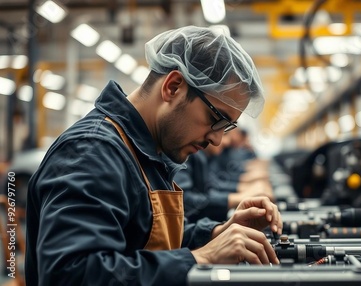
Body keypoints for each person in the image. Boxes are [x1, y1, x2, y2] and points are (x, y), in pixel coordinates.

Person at [25, 26, 282, 286]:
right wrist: (200, 258)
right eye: (216, 119)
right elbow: (71, 274)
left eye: (227, 127)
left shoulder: (147, 152)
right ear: (173, 87)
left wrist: (218, 233)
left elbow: (146, 238)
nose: (217, 139)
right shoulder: (91, 152)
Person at [175, 132, 273, 222]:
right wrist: (240, 195)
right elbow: (184, 201)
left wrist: (244, 187)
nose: (226, 141)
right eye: (225, 134)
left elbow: (211, 184)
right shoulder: (187, 152)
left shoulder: (206, 155)